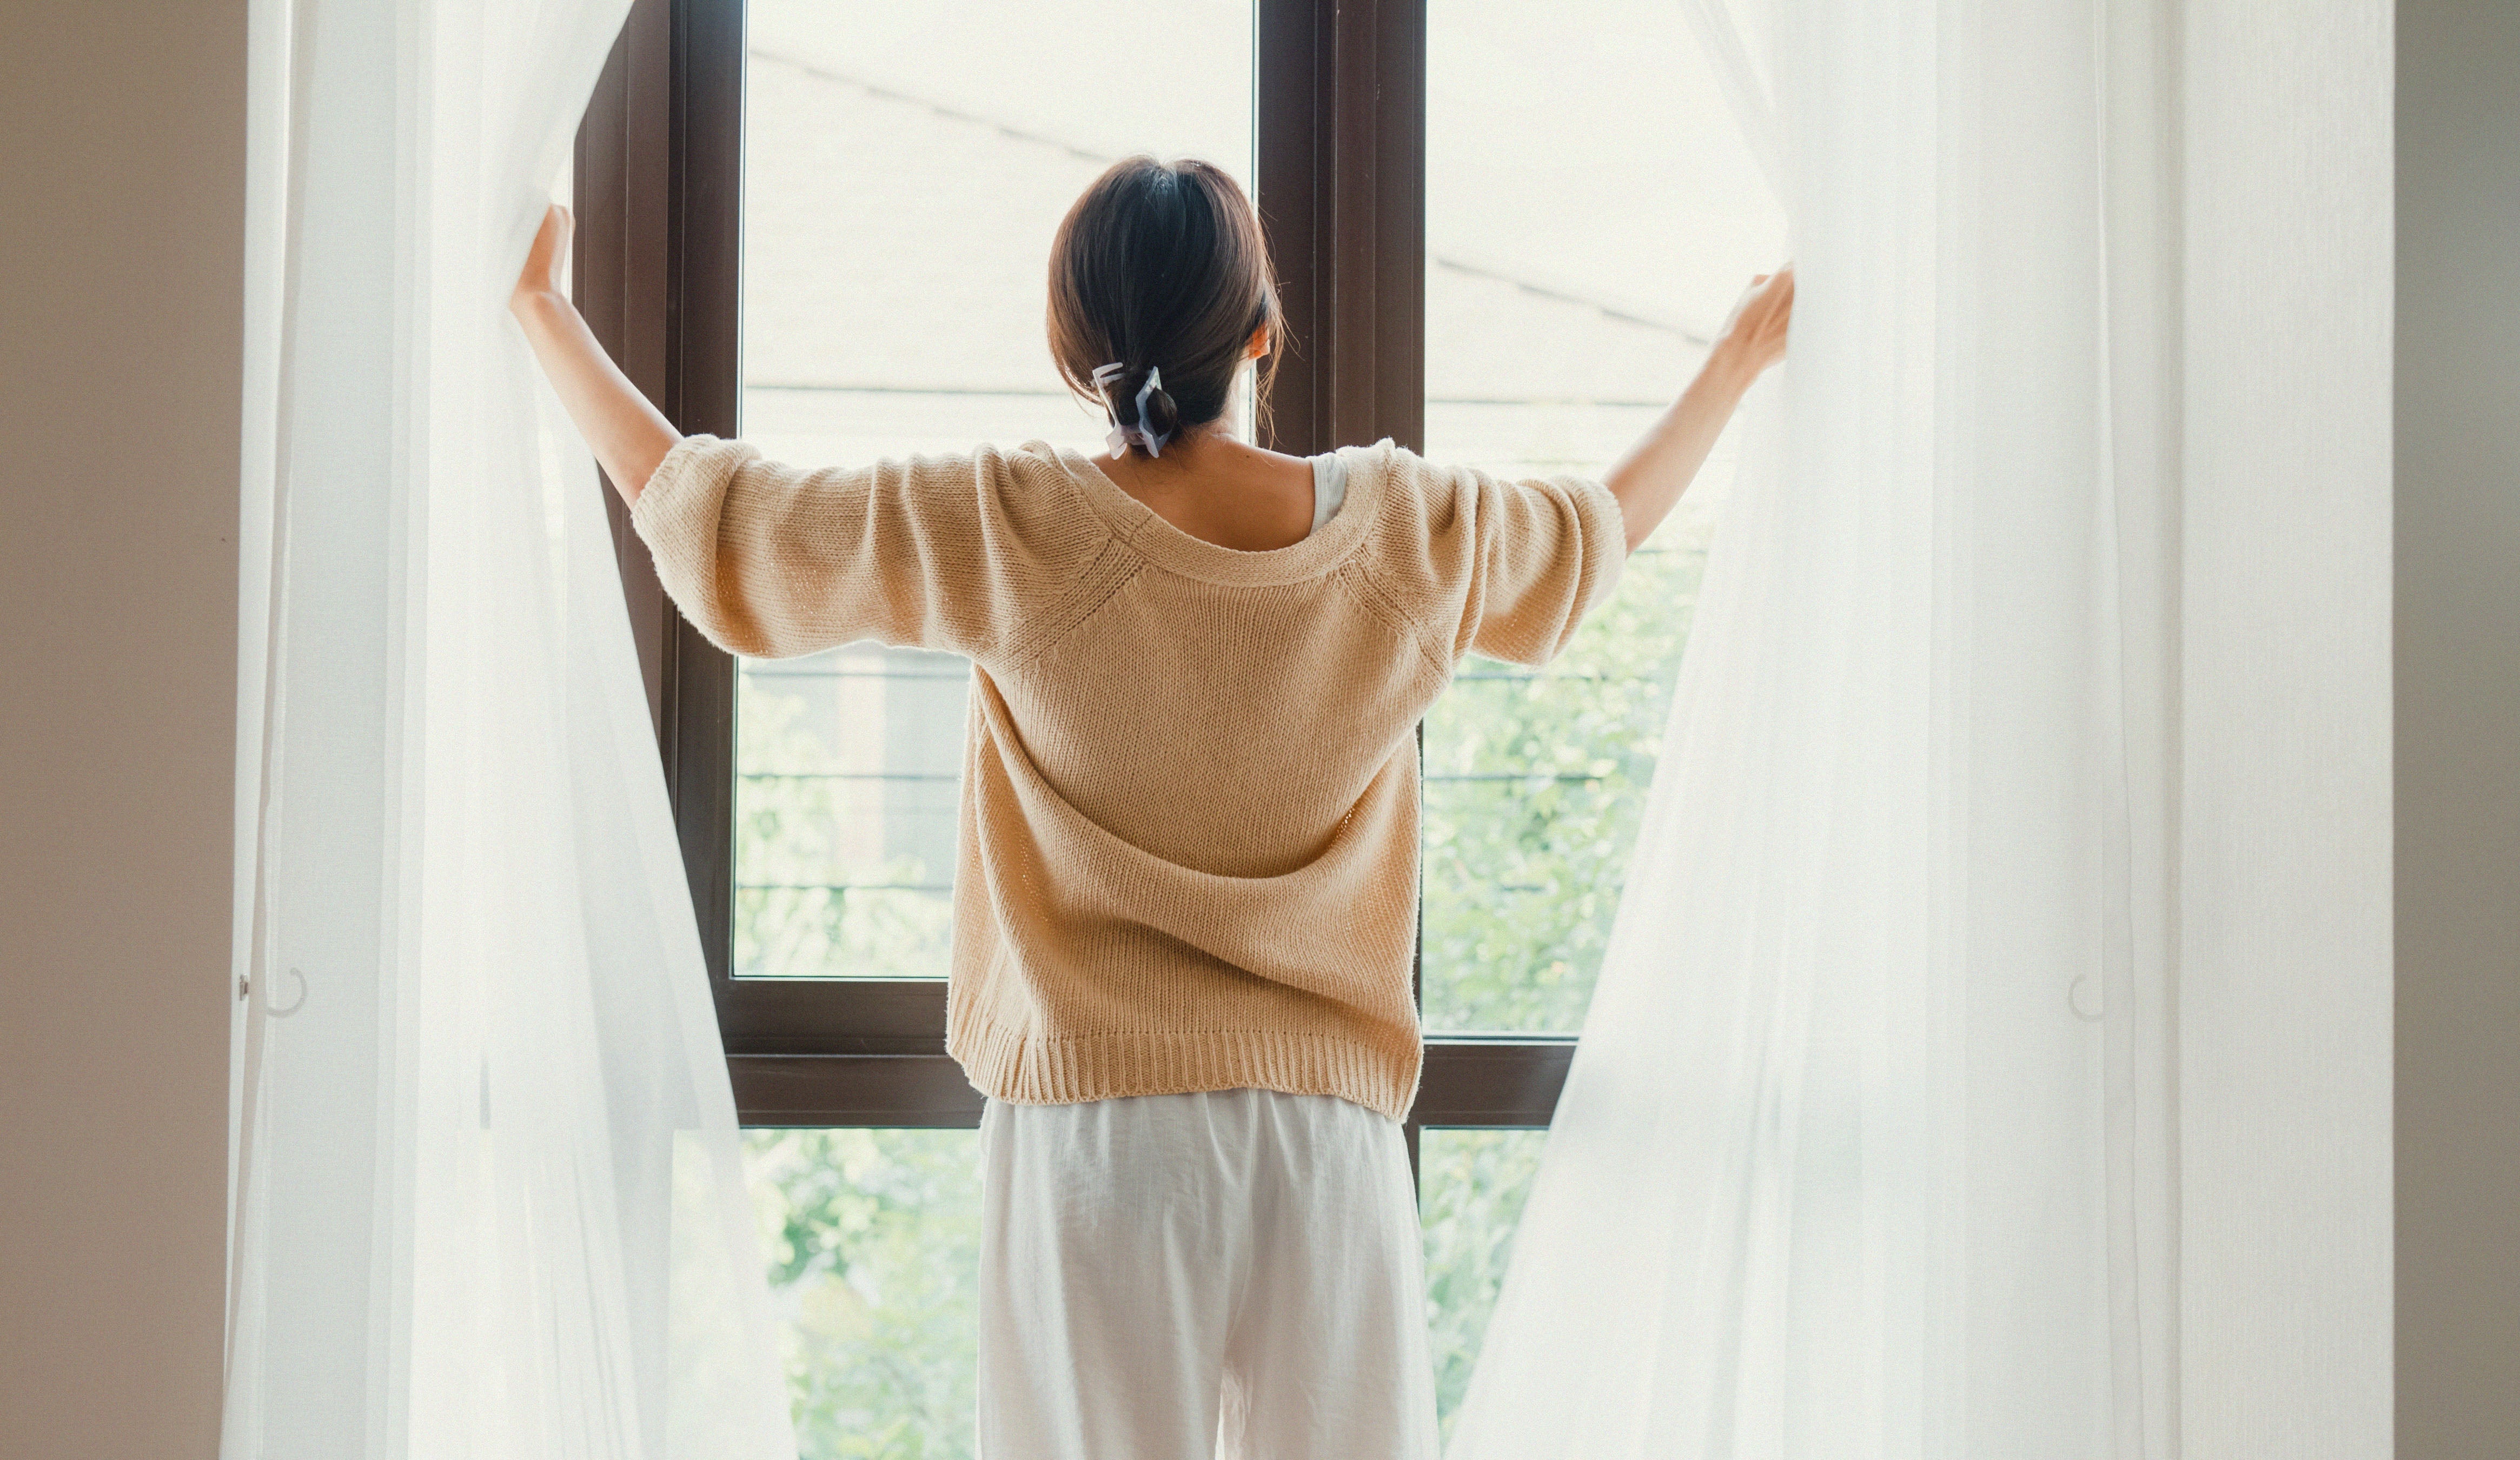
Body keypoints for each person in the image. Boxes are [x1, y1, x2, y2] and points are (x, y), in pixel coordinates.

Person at [512, 155, 1791, 1460]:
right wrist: (1737, 360)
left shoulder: (1013, 523)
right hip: (1327, 1141)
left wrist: (546, 314)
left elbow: (725, 525)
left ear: (1077, 355)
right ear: (1262, 333)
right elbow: (1597, 532)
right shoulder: (1404, 532)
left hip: (1096, 1141)